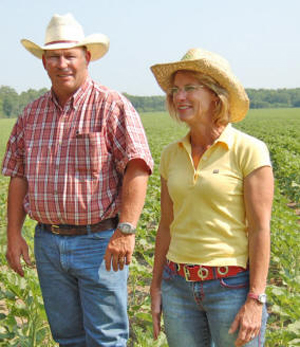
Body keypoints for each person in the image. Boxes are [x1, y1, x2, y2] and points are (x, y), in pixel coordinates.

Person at [2, 13, 153, 347]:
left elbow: (138, 167)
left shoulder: (111, 105)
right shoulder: (31, 113)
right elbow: (18, 176)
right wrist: (13, 235)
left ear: (87, 58)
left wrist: (126, 231)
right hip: (48, 243)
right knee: (67, 337)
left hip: (99, 242)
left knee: (106, 338)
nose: (62, 63)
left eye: (70, 55)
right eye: (54, 56)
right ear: (43, 62)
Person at [149, 48, 273, 347]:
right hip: (177, 286)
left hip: (231, 287)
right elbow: (166, 225)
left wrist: (255, 298)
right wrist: (155, 287)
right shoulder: (170, 154)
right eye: (175, 90)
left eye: (190, 88)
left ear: (216, 96)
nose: (179, 97)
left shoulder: (249, 150)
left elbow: (260, 229)